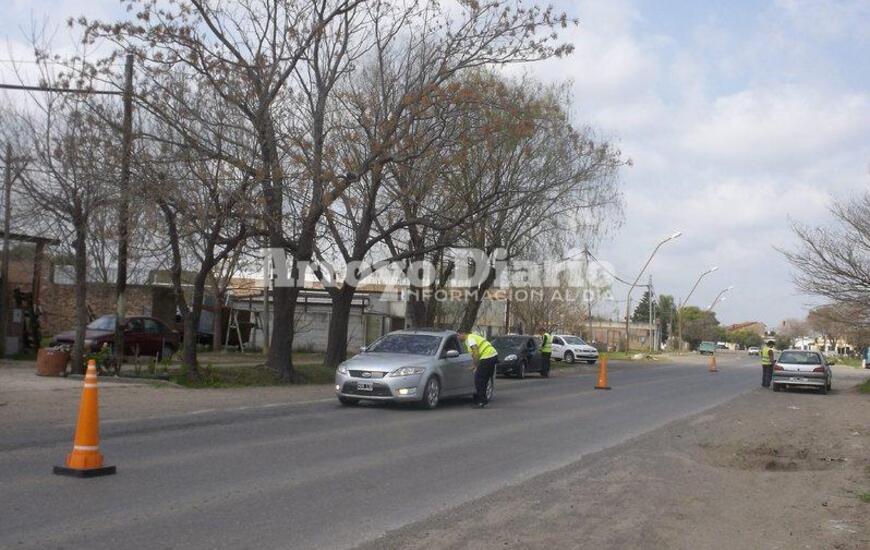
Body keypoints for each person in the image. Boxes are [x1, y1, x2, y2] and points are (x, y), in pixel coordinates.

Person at [458, 331, 499, 408]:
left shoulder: (470, 339)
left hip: (487, 357)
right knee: (484, 379)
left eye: (458, 335)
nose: (458, 337)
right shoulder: (472, 337)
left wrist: (475, 365)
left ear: (463, 333)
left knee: (479, 380)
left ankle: (481, 401)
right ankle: (482, 400)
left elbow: (475, 352)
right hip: (492, 356)